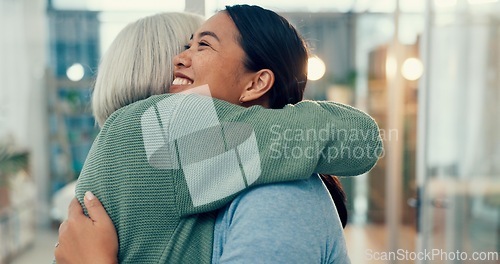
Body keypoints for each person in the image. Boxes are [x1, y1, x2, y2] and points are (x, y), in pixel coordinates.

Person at [55, 6, 382, 264]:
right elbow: (361, 139)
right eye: (187, 45)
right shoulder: (158, 130)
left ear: (256, 83)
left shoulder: (253, 180)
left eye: (203, 45)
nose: (180, 59)